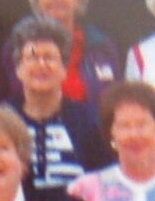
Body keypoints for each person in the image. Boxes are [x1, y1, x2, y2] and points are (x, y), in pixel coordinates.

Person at [0, 0, 120, 112]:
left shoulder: (102, 48)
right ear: (37, 0)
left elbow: (116, 104)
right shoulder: (16, 48)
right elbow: (1, 105)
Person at [7, 16, 109, 190]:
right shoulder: (3, 122)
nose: (41, 65)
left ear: (64, 69)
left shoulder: (91, 121)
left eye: (49, 57)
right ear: (18, 69)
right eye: (32, 58)